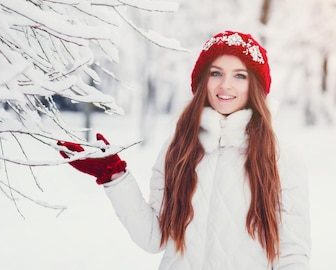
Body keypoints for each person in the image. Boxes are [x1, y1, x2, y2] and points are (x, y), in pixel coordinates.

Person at [58, 30, 311, 269]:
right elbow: (154, 237)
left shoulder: (280, 154)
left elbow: (292, 252)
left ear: (254, 85)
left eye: (239, 75)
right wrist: (114, 175)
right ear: (203, 80)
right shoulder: (179, 146)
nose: (225, 85)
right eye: (216, 73)